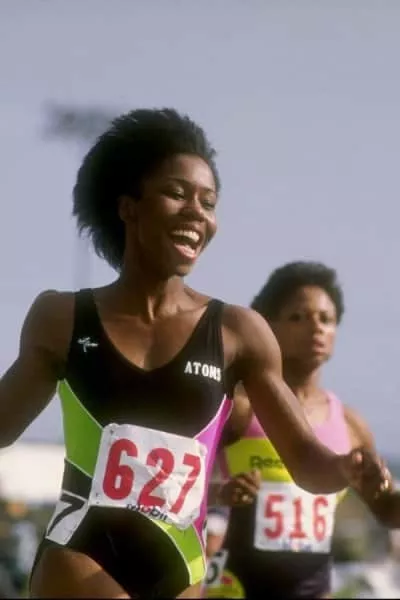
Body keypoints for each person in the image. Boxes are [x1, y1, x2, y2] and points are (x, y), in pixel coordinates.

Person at [0, 110, 389, 599]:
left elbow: (307, 462)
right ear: (128, 207)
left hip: (181, 567)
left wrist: (346, 469)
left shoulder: (239, 333)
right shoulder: (62, 318)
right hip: (81, 551)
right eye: (177, 193)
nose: (197, 213)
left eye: (208, 202)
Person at [204, 261, 395, 599]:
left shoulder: (350, 425)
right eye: (298, 317)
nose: (316, 327)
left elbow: (388, 511)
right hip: (233, 589)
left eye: (326, 319)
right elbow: (182, 481)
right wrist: (221, 492)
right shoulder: (241, 407)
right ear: (266, 326)